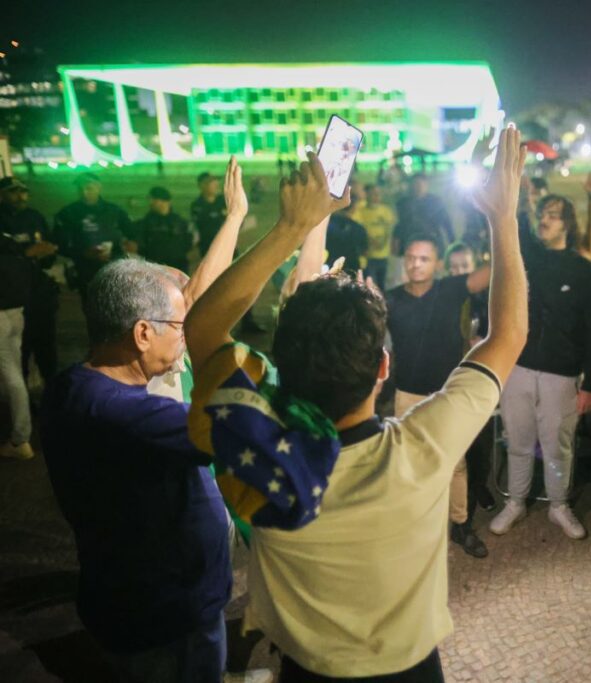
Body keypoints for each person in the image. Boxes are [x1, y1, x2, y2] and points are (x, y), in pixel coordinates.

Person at [184, 129, 529, 681]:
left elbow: (200, 326)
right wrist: (503, 217)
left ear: (278, 370)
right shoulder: (423, 448)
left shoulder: (255, 450)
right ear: (383, 369)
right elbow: (508, 335)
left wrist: (291, 227)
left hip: (305, 671)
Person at [39, 158, 260, 683]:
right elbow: (239, 423)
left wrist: (237, 222)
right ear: (142, 333)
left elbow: (197, 299)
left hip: (141, 607)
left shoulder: (76, 386)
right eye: (180, 326)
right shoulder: (135, 415)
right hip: (167, 622)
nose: (188, 334)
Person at [488, 187, 591, 540]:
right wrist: (521, 191)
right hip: (519, 368)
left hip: (563, 374)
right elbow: (514, 221)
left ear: (567, 225)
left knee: (558, 446)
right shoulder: (528, 258)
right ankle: (516, 502)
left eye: (553, 214)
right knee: (519, 441)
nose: (545, 219)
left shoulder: (584, 271)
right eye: (543, 212)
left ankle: (558, 505)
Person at [386, 234, 491, 557]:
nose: (416, 264)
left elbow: (492, 271)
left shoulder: (450, 289)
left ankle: (460, 524)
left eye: (424, 259)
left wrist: (502, 220)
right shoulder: (390, 299)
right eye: (411, 258)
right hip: (406, 395)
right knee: (409, 465)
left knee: (455, 465)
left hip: (446, 394)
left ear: (437, 265)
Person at [445, 241, 497, 513]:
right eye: (453, 267)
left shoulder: (484, 299)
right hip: (447, 378)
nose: (458, 272)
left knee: (480, 438)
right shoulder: (440, 297)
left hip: (477, 377)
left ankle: (479, 486)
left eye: (464, 266)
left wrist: (483, 342)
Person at [0, 177, 60, 385]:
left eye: (23, 191)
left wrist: (47, 252)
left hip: (39, 293)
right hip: (12, 297)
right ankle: (24, 400)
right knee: (19, 353)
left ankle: (52, 396)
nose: (20, 196)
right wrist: (25, 252)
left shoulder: (34, 217)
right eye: (13, 192)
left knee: (47, 349)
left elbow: (48, 247)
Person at [192, 171, 264, 333]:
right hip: (210, 254)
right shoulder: (197, 206)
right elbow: (203, 229)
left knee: (240, 282)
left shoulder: (223, 202)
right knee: (214, 290)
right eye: (211, 182)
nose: (215, 184)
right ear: (202, 185)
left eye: (215, 181)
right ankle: (217, 326)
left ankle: (247, 321)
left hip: (232, 250)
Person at [52, 173, 132, 301]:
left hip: (115, 268)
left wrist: (129, 244)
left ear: (98, 188)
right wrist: (83, 253)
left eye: (89, 188)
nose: (84, 192)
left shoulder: (114, 211)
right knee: (92, 307)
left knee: (119, 305)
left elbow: (132, 232)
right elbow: (59, 244)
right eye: (80, 189)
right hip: (86, 271)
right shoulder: (68, 213)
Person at [0, 227, 34, 459]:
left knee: (10, 375)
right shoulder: (12, 250)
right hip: (16, 313)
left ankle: (20, 439)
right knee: (13, 374)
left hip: (1, 315)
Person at [128, 186, 193, 272]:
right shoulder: (144, 223)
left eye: (154, 199)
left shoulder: (180, 222)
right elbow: (138, 246)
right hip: (154, 269)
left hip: (178, 268)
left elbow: (190, 244)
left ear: (165, 201)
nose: (150, 203)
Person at [394, 173, 454, 253]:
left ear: (426, 185)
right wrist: (397, 244)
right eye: (415, 184)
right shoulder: (403, 204)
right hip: (410, 244)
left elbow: (447, 223)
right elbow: (400, 226)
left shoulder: (435, 202)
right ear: (411, 186)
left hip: (432, 243)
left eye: (421, 184)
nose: (418, 187)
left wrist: (452, 243)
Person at [352, 183, 396, 286]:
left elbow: (390, 230)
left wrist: (382, 242)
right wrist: (370, 240)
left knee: (383, 285)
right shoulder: (360, 211)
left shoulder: (386, 211)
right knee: (370, 286)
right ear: (366, 195)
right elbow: (359, 230)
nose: (376, 196)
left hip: (384, 255)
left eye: (377, 194)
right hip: (368, 257)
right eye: (373, 194)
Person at [325, 202, 369, 277]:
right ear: (353, 209)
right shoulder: (359, 228)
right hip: (352, 267)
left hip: (330, 265)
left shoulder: (328, 225)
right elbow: (364, 251)